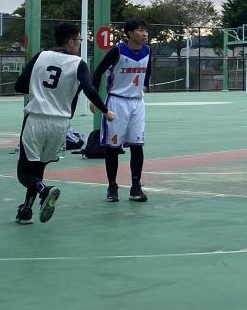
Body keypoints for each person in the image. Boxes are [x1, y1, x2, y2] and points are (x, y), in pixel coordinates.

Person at [13, 23, 115, 224]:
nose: (79, 44)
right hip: (60, 124)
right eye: (79, 40)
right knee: (39, 168)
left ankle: (44, 190)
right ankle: (26, 211)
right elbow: (89, 89)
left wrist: (39, 88)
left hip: (36, 119)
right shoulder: (78, 64)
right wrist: (105, 110)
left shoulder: (41, 56)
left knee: (24, 172)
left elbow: (20, 86)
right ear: (70, 41)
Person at [92, 19, 152, 203]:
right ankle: (112, 186)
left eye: (145, 30)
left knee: (137, 145)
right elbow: (98, 72)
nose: (144, 34)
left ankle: (135, 186)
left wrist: (146, 84)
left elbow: (148, 68)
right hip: (117, 102)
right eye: (140, 30)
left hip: (137, 103)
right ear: (129, 33)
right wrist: (94, 99)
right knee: (113, 147)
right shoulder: (117, 51)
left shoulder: (147, 50)